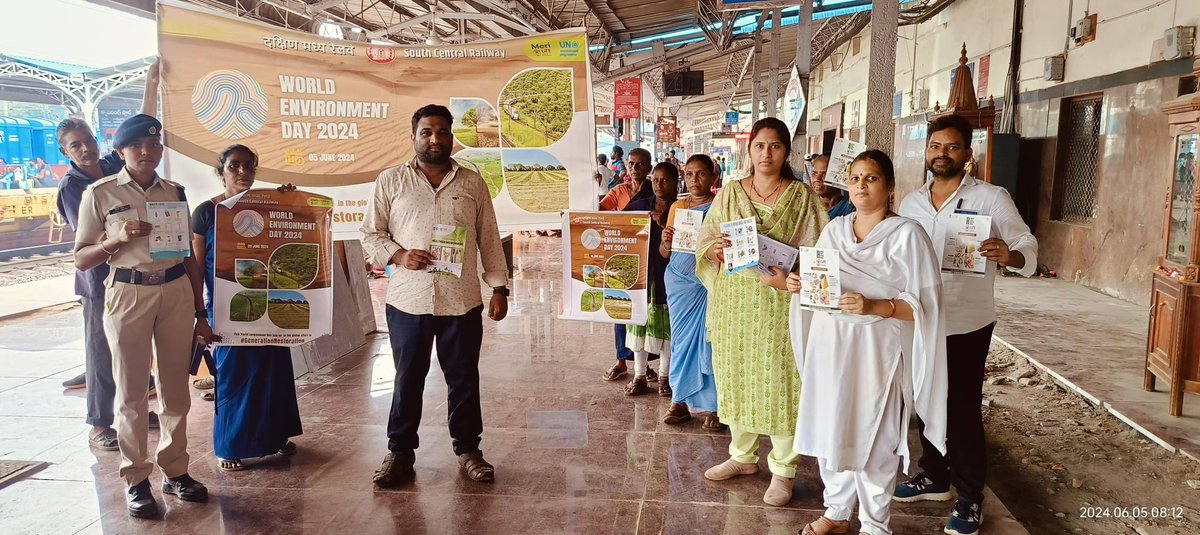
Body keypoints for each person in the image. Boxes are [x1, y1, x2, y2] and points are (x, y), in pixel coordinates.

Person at [786, 150, 947, 535]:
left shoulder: (908, 235)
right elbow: (817, 289)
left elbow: (927, 306)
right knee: (831, 428)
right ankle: (837, 512)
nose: (861, 185)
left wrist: (878, 305)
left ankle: (875, 524)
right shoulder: (834, 231)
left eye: (871, 178)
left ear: (889, 187)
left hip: (879, 352)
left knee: (877, 437)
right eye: (855, 178)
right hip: (830, 348)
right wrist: (797, 284)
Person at [895, 114, 1038, 535]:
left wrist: (1007, 254)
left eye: (952, 147)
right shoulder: (911, 202)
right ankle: (934, 476)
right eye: (936, 146)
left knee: (962, 409)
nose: (942, 154)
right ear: (926, 151)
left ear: (968, 155)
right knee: (923, 396)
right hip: (920, 317)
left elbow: (1026, 244)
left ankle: (970, 495)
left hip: (967, 320)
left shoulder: (992, 198)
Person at [361, 104, 510, 487]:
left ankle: (468, 450)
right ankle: (399, 453)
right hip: (408, 300)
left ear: (451, 136)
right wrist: (398, 255)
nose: (434, 139)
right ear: (413, 136)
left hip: (460, 300)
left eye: (442, 132)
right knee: (408, 378)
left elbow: (489, 237)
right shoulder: (391, 181)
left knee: (463, 378)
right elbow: (371, 233)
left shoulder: (472, 182)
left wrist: (498, 287)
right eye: (426, 132)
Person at [73, 113, 212, 518]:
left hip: (173, 292)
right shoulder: (99, 194)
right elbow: (81, 257)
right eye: (137, 146)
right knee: (133, 394)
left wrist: (199, 310)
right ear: (121, 152)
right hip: (127, 292)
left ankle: (175, 471)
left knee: (175, 391)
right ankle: (136, 479)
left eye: (153, 145)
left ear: (161, 150)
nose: (146, 152)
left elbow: (187, 254)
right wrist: (115, 240)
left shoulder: (174, 192)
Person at [695, 118, 826, 507]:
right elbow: (707, 239)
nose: (766, 154)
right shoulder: (731, 192)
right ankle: (742, 456)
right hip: (736, 303)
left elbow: (822, 249)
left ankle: (784, 469)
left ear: (786, 152)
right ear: (748, 150)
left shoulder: (802, 197)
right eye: (759, 146)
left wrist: (795, 270)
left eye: (775, 146)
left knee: (783, 380)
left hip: (782, 301)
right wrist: (715, 250)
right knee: (738, 374)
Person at [190, 145, 303, 471]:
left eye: (248, 166)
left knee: (273, 375)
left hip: (269, 307)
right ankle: (230, 445)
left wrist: (289, 202)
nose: (242, 172)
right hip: (229, 311)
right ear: (221, 171)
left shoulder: (270, 207)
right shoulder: (206, 213)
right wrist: (200, 314)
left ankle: (276, 437)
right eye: (234, 165)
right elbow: (196, 268)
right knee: (235, 377)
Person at [659, 154, 723, 430]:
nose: (694, 180)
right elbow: (666, 253)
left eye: (701, 174)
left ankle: (714, 406)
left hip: (707, 280)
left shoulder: (721, 206)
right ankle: (679, 401)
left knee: (710, 340)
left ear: (713, 177)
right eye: (689, 175)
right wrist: (665, 240)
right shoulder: (677, 206)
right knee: (681, 341)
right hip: (678, 280)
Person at [621, 162, 678, 396]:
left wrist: (665, 223)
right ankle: (640, 375)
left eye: (665, 180)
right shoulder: (637, 208)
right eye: (655, 180)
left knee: (667, 329)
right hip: (642, 279)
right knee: (639, 325)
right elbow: (614, 228)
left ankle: (665, 377)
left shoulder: (681, 210)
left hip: (670, 279)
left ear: (675, 183)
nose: (659, 184)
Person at [599, 148, 656, 384]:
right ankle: (621, 361)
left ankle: (645, 364)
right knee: (620, 306)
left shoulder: (656, 190)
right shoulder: (619, 190)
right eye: (632, 164)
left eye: (641, 164)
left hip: (651, 254)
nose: (635, 168)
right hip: (623, 254)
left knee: (647, 310)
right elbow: (599, 211)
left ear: (649, 167)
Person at [810, 154, 855, 219]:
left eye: (824, 174)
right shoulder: (807, 206)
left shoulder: (850, 208)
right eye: (814, 173)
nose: (816, 179)